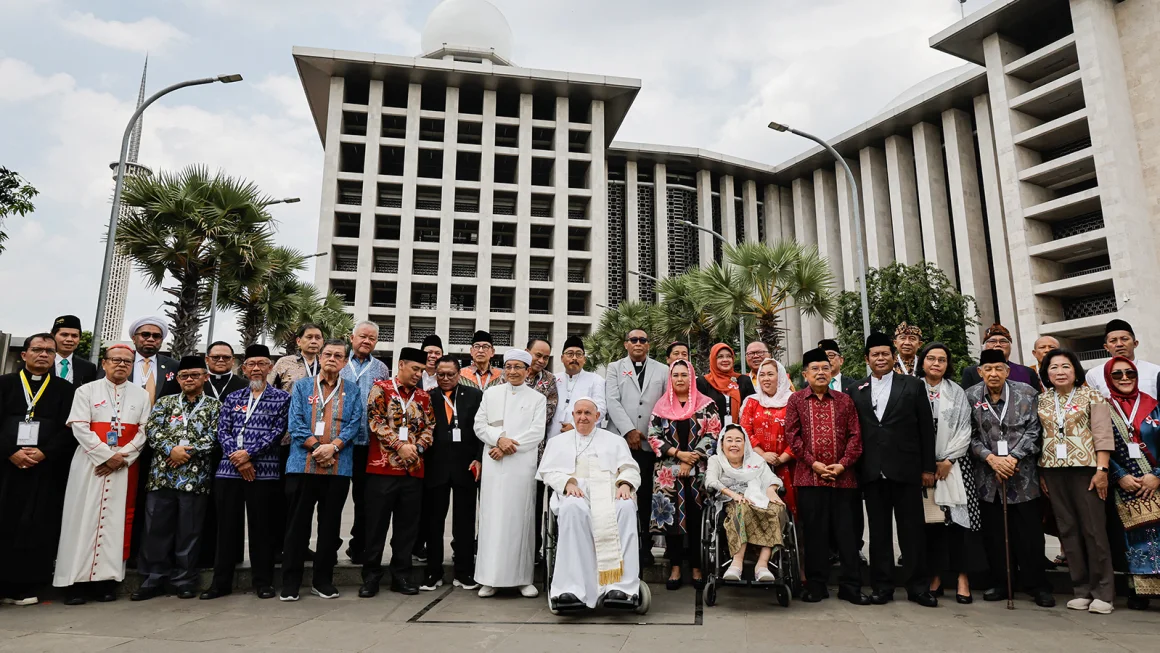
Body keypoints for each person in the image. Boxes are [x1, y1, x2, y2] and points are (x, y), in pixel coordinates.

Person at [54, 344, 151, 605]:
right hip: (90, 464)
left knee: (116, 521)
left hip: (124, 467)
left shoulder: (141, 395)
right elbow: (79, 427)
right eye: (115, 360)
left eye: (127, 362)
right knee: (81, 519)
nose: (121, 365)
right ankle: (74, 582)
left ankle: (106, 583)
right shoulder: (86, 391)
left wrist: (122, 457)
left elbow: (144, 431)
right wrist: (106, 455)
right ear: (104, 363)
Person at [850, 332, 938, 607]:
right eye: (874, 354)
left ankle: (917, 587)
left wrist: (928, 468)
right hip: (872, 472)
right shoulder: (856, 389)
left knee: (912, 531)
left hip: (907, 470)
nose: (880, 358)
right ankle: (882, 587)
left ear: (893, 356)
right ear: (867, 359)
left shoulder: (912, 385)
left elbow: (926, 429)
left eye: (885, 354)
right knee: (878, 533)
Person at [200, 344, 291, 601]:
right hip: (229, 472)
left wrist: (249, 454)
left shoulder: (282, 398)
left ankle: (263, 582)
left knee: (263, 530)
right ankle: (220, 583)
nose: (256, 369)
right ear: (244, 368)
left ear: (271, 368)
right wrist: (238, 458)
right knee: (226, 528)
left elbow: (278, 433)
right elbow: (222, 431)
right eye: (251, 364)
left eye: (262, 364)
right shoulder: (233, 398)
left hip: (265, 472)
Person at [967, 349, 1055, 607]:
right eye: (988, 369)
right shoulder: (970, 396)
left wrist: (1013, 458)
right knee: (994, 535)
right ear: (980, 372)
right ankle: (1001, 582)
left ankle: (1037, 585)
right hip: (987, 477)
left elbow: (1036, 430)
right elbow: (967, 434)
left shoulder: (1027, 394)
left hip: (1023, 475)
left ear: (1007, 370)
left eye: (999, 368)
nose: (993, 374)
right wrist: (991, 459)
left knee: (1029, 534)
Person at [538, 397, 642, 610]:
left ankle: (621, 587)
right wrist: (567, 482)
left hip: (610, 492)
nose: (583, 417)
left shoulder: (614, 440)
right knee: (572, 508)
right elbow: (548, 473)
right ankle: (572, 589)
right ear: (573, 416)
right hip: (576, 492)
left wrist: (624, 484)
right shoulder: (557, 443)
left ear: (597, 416)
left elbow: (630, 468)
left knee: (626, 506)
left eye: (588, 413)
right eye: (579, 413)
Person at [281, 339, 364, 601]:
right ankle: (291, 582)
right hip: (302, 466)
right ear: (321, 356)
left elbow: (355, 424)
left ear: (344, 361)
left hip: (338, 468)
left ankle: (323, 580)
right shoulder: (303, 386)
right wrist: (319, 448)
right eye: (328, 354)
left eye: (338, 355)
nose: (332, 358)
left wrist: (333, 448)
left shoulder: (352, 390)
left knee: (330, 527)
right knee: (297, 526)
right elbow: (294, 423)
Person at [133, 355, 221, 601]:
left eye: (195, 375)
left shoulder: (215, 406)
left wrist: (185, 453)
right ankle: (153, 579)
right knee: (155, 530)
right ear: (178, 379)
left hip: (195, 479)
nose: (189, 379)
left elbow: (216, 436)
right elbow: (152, 430)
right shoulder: (165, 402)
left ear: (205, 377)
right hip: (162, 476)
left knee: (189, 532)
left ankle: (184, 580)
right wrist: (171, 449)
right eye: (184, 376)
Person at [786, 347, 868, 605]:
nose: (821, 373)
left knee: (847, 535)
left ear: (832, 371)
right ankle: (817, 585)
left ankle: (851, 586)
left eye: (825, 368)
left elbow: (856, 437)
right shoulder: (796, 400)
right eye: (815, 369)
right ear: (805, 374)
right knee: (815, 534)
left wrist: (842, 465)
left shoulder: (845, 401)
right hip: (809, 479)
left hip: (844, 479)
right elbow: (793, 437)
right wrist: (815, 464)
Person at [1037, 349, 1115, 614]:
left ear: (1075, 370)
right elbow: (1040, 438)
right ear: (1046, 373)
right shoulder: (1042, 399)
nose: (1060, 371)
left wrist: (1102, 469)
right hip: (1053, 471)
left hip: (1087, 469)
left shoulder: (1092, 395)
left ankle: (1103, 591)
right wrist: (1041, 473)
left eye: (1065, 366)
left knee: (1094, 530)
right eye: (1053, 367)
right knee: (1067, 530)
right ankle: (1080, 589)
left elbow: (1103, 435)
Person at [0, 334, 76, 606]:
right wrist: (11, 451)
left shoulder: (65, 390)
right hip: (6, 466)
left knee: (37, 524)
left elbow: (70, 429)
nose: (43, 355)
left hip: (45, 469)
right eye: (38, 350)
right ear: (24, 354)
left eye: (49, 351)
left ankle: (27, 585)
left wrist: (45, 452)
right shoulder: (5, 384)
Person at [359, 347, 435, 597]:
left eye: (422, 370)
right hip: (381, 471)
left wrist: (418, 448)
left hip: (413, 472)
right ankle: (370, 577)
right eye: (415, 369)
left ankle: (401, 576)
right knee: (375, 528)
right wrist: (400, 446)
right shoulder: (381, 388)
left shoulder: (423, 396)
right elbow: (376, 422)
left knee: (406, 529)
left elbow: (429, 426)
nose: (418, 374)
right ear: (401, 364)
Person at [474, 349, 547, 598]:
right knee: (492, 520)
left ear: (528, 371)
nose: (513, 371)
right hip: (494, 465)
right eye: (509, 367)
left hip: (520, 465)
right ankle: (489, 578)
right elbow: (479, 425)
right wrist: (498, 439)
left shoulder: (537, 398)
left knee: (520, 520)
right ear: (504, 369)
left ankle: (522, 579)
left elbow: (537, 433)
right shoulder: (490, 393)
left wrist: (506, 447)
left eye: (519, 367)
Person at [918, 342, 983, 605]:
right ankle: (934, 576)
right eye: (931, 358)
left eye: (941, 360)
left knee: (958, 525)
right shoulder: (912, 388)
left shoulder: (957, 392)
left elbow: (965, 429)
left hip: (954, 467)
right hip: (923, 470)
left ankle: (962, 578)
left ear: (948, 364)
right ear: (922, 362)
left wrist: (947, 460)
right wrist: (926, 464)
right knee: (931, 525)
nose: (936, 363)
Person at [647, 360, 721, 590]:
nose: (680, 379)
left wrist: (693, 457)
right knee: (672, 521)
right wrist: (679, 454)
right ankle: (676, 567)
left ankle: (697, 567)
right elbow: (653, 436)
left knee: (698, 518)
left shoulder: (707, 405)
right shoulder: (661, 406)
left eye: (684, 375)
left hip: (698, 471)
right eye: (675, 375)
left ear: (691, 378)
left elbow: (713, 433)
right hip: (668, 473)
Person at [606, 328, 668, 567]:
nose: (638, 343)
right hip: (621, 442)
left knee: (646, 496)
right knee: (622, 494)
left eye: (643, 340)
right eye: (634, 340)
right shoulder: (614, 368)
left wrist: (651, 434)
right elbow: (612, 401)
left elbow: (664, 405)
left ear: (649, 345)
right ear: (626, 344)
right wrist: (629, 431)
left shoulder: (662, 370)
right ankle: (620, 545)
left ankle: (645, 547)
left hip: (650, 443)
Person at [420, 356, 483, 591]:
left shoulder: (474, 397)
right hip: (436, 468)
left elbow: (480, 430)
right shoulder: (428, 397)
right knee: (433, 522)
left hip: (466, 467)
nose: (445, 379)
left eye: (450, 375)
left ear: (459, 374)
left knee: (465, 523)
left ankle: (464, 572)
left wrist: (479, 458)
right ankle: (432, 572)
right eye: (441, 375)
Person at [125, 316, 180, 564]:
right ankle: (126, 551)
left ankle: (149, 555)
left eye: (155, 336)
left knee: (155, 503)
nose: (150, 339)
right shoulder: (122, 362)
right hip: (124, 442)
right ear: (135, 337)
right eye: (145, 335)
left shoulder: (173, 367)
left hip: (162, 445)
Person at [1106, 357, 1160, 609]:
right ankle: (1137, 591)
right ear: (1108, 378)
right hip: (1124, 486)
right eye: (1117, 375)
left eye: (1130, 373)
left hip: (1155, 482)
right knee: (1131, 540)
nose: (1125, 378)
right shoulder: (1102, 408)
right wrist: (1119, 476)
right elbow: (1099, 447)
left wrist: (1156, 475)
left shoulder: (1155, 406)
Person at [706, 424, 788, 582]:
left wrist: (771, 489)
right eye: (729, 440)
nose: (734, 444)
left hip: (758, 498)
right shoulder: (716, 460)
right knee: (742, 507)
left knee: (778, 508)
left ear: (746, 444)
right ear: (722, 444)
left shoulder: (755, 461)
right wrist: (733, 494)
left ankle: (762, 565)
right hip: (731, 501)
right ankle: (736, 564)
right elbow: (710, 481)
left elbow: (772, 478)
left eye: (739, 440)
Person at [341, 321, 390, 565]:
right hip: (339, 444)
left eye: (371, 338)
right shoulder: (339, 362)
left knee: (364, 499)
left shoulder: (381, 368)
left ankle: (358, 545)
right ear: (352, 338)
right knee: (335, 499)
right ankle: (330, 546)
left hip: (367, 444)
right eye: (363, 336)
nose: (366, 341)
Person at [199, 341, 247, 568]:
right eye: (216, 357)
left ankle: (232, 555)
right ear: (207, 359)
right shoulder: (196, 382)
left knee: (231, 507)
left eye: (226, 358)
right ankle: (204, 555)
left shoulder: (243, 385)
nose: (221, 361)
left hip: (232, 456)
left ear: (233, 361)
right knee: (202, 506)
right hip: (200, 456)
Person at [739, 358, 795, 515]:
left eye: (770, 374)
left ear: (781, 376)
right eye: (762, 375)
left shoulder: (793, 400)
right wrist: (763, 455)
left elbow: (800, 434)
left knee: (788, 509)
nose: (765, 379)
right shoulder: (752, 401)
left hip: (788, 465)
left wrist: (782, 458)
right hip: (757, 465)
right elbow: (745, 431)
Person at [549, 336, 606, 440]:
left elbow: (600, 409)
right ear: (562, 358)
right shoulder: (553, 379)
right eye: (570, 354)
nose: (574, 358)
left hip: (584, 435)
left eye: (578, 354)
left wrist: (574, 425)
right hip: (554, 435)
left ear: (584, 359)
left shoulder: (596, 380)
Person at [1085, 319, 1160, 399]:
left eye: (1124, 339)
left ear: (1135, 343)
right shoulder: (1094, 374)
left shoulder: (1156, 371)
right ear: (1106, 347)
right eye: (1113, 341)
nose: (1119, 344)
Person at [960, 324, 1042, 391]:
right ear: (984, 347)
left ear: (1010, 347)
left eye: (1003, 341)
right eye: (992, 341)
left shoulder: (1027, 372)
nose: (998, 344)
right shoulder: (971, 372)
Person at [697, 343, 755, 427]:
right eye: (720, 357)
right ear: (713, 359)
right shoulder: (703, 382)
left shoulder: (743, 380)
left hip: (740, 434)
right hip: (712, 435)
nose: (725, 359)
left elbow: (752, 409)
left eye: (729, 356)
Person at [269, 324, 325, 393]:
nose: (314, 341)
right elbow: (268, 388)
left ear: (323, 342)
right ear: (298, 341)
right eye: (309, 337)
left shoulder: (327, 364)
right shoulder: (284, 362)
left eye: (318, 338)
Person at [50, 315, 96, 386]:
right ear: (52, 336)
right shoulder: (42, 361)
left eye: (74, 336)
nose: (69, 339)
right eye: (64, 335)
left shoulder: (88, 368)